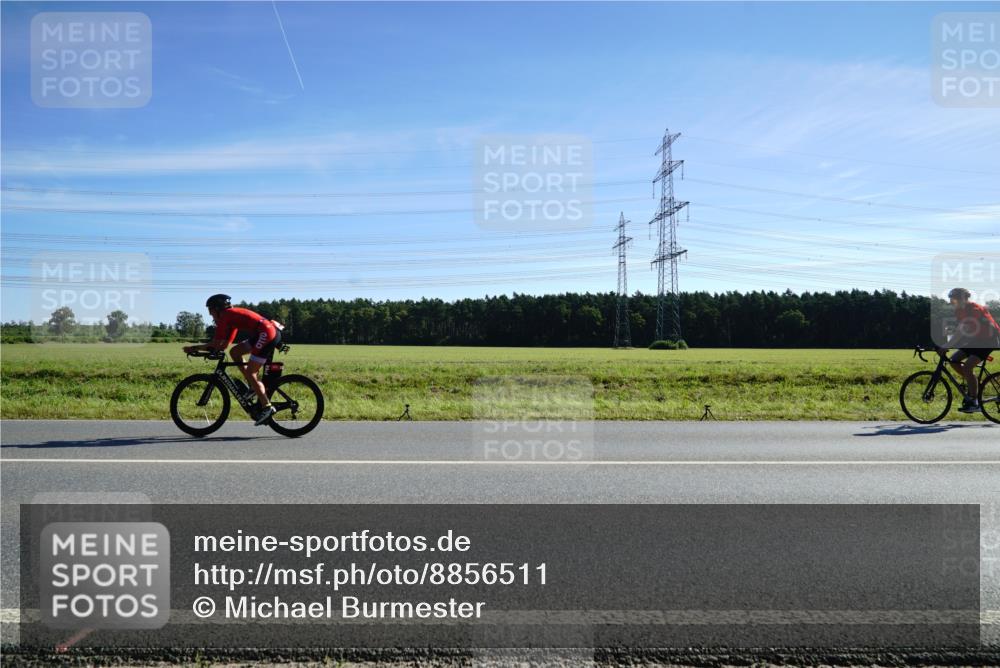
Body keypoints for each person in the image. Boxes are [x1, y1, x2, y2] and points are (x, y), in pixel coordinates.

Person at [183, 294, 282, 425]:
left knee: (252, 372)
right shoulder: (231, 317)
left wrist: (195, 348)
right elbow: (223, 345)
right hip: (265, 332)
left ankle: (267, 407)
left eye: (211, 312)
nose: (211, 316)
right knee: (235, 352)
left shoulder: (226, 316)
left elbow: (216, 343)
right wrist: (207, 349)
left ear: (218, 309)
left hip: (266, 333)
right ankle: (253, 387)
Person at [942, 287, 1000, 413]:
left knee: (968, 367)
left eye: (954, 299)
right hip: (976, 340)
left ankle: (974, 401)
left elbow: (962, 330)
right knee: (953, 360)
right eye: (951, 300)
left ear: (963, 299)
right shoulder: (959, 311)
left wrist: (947, 346)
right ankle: (973, 383)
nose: (952, 302)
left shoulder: (974, 309)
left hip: (988, 341)